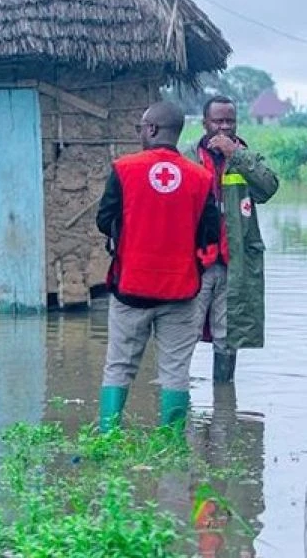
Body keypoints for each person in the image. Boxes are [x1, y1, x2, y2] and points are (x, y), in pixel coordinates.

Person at [96, 101, 220, 430]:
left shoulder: (123, 169)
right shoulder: (201, 177)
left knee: (119, 365)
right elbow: (210, 232)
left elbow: (103, 220)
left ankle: (107, 439)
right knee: (176, 370)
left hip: (130, 290)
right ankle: (172, 445)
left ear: (152, 129)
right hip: (181, 292)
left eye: (141, 127)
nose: (140, 132)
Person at [194, 95, 280, 383]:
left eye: (230, 121)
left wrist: (235, 154)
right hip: (196, 262)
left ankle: (224, 408)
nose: (224, 127)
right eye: (217, 121)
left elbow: (268, 188)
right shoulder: (188, 156)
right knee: (182, 332)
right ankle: (178, 411)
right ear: (205, 122)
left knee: (227, 337)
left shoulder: (245, 157)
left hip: (235, 262)